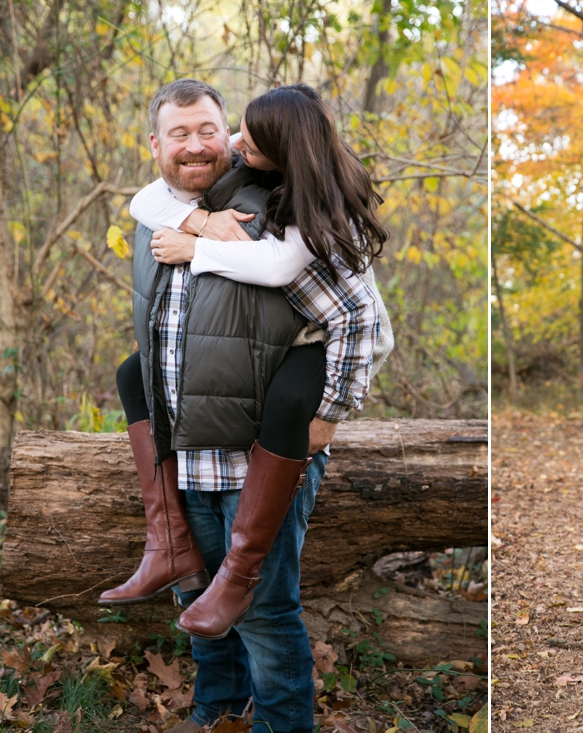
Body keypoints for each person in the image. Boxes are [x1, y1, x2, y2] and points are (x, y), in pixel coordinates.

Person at [101, 79, 384, 733]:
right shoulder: (164, 210)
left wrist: (330, 412)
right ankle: (215, 713)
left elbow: (360, 317)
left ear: (233, 139)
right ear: (156, 145)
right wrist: (197, 224)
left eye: (211, 131)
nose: (199, 146)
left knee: (261, 608)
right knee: (200, 595)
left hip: (259, 452)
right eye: (181, 134)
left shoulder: (278, 212)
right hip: (190, 448)